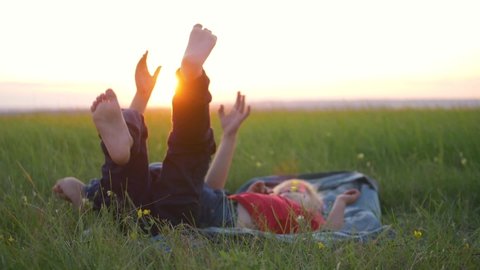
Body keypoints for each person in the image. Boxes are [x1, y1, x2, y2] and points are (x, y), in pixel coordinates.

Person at [53, 24, 361, 235]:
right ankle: (136, 121)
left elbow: (331, 231)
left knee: (164, 167)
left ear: (313, 208)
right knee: (167, 162)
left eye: (302, 192)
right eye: (289, 188)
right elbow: (211, 184)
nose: (294, 189)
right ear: (269, 191)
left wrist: (340, 203)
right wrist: (229, 136)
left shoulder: (301, 218)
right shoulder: (239, 200)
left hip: (182, 206)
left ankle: (99, 179)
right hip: (176, 193)